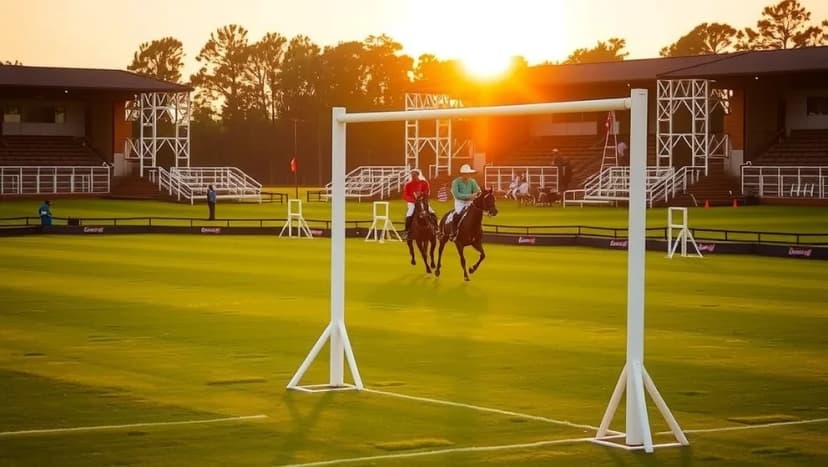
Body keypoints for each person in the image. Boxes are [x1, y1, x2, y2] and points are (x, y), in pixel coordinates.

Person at [446, 163, 481, 240]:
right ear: (462, 174)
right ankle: (453, 232)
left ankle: (477, 231)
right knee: (458, 214)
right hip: (459, 202)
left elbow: (477, 191)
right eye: (466, 174)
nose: (467, 175)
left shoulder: (472, 181)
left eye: (468, 174)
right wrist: (470, 196)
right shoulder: (455, 182)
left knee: (477, 214)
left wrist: (477, 194)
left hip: (470, 202)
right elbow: (457, 194)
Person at [402, 169, 436, 238]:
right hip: (412, 203)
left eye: (414, 175)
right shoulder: (408, 184)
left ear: (418, 175)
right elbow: (405, 195)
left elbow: (427, 191)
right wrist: (412, 200)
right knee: (409, 213)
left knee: (431, 211)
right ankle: (407, 231)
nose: (413, 177)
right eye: (412, 175)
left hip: (422, 201)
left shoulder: (424, 183)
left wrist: (422, 195)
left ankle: (436, 229)